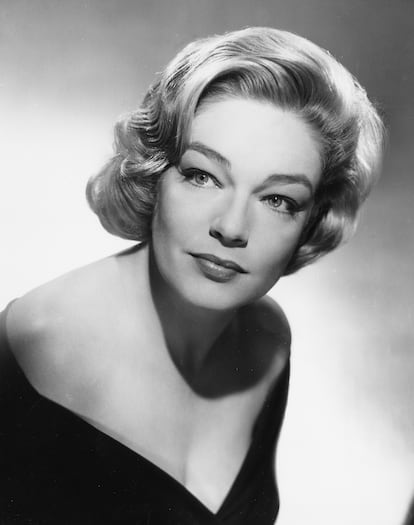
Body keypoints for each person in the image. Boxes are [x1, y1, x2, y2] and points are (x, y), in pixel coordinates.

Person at [0, 27, 384, 524]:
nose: (231, 227)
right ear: (154, 173)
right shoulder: (45, 342)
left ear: (312, 220)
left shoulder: (267, 341)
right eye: (203, 176)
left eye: (277, 199)